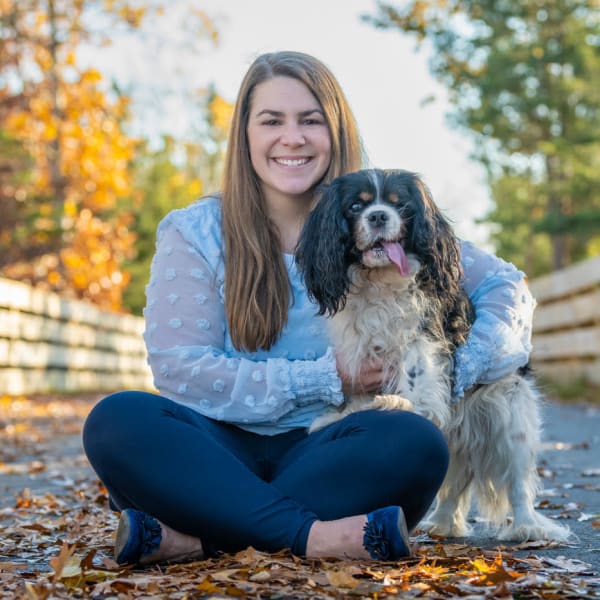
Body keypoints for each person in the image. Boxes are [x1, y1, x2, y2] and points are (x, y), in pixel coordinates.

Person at [82, 51, 536, 566]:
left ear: (335, 130)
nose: (292, 137)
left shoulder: (379, 214)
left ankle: (199, 538)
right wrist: (328, 377)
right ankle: (318, 537)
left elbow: (505, 285)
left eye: (310, 120)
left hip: (335, 447)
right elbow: (178, 369)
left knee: (413, 439)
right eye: (272, 120)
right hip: (216, 449)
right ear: (245, 135)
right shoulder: (196, 230)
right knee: (117, 420)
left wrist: (462, 364)